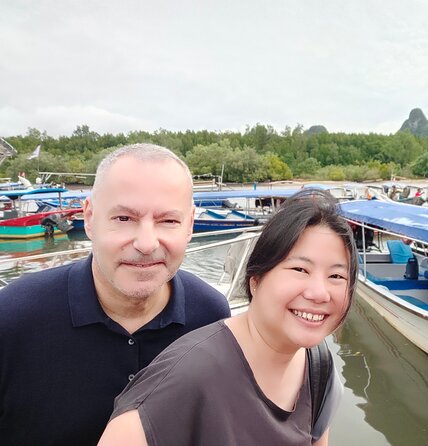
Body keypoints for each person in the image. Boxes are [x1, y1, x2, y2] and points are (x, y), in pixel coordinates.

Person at [0, 144, 231, 445]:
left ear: (189, 225)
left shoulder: (210, 318)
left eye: (168, 221)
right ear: (89, 217)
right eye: (124, 218)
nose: (147, 243)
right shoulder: (13, 319)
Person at [98, 189, 358, 446]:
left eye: (336, 276)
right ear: (256, 281)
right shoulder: (187, 378)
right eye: (300, 269)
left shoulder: (318, 367)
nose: (319, 293)